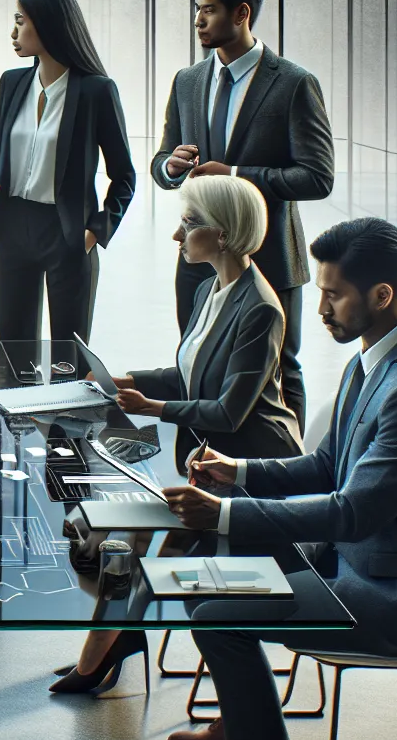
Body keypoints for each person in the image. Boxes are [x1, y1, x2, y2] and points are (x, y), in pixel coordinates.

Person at [157, 217, 397, 740]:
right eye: (319, 290)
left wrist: (229, 513)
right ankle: (245, 717)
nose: (319, 307)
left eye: (333, 294)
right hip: (346, 563)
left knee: (218, 615)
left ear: (382, 296)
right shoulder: (373, 358)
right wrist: (235, 471)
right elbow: (327, 465)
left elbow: (353, 512)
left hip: (387, 596)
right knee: (203, 573)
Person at [50, 175, 301, 695]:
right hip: (209, 458)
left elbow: (230, 412)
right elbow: (188, 372)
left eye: (188, 224)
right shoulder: (214, 288)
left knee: (138, 538)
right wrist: (122, 381)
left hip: (249, 467)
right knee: (129, 537)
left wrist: (153, 407)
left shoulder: (260, 309)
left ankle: (106, 650)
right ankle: (106, 648)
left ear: (224, 235)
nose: (177, 236)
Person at [151, 0, 333, 429]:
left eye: (209, 11)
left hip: (268, 253)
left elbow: (317, 177)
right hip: (198, 259)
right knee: (198, 364)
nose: (198, 20)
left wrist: (235, 173)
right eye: (196, 9)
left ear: (242, 14)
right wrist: (170, 168)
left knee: (280, 370)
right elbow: (161, 161)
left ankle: (290, 475)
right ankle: (205, 472)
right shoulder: (187, 81)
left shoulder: (292, 83)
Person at [0, 0, 134, 354]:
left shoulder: (97, 91)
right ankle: (15, 416)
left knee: (70, 361)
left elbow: (124, 176)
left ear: (48, 24)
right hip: (12, 228)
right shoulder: (11, 83)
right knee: (14, 359)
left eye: (20, 21)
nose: (13, 32)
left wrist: (95, 231)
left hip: (67, 233)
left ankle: (69, 416)